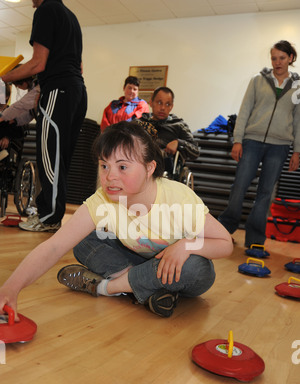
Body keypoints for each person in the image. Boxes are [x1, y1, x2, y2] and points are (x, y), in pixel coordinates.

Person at [0, 121, 233, 319]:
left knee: (197, 267)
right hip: (139, 262)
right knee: (84, 241)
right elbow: (54, 246)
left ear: (149, 168)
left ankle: (107, 287)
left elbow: (225, 243)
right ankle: (144, 288)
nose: (110, 177)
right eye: (104, 165)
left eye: (122, 167)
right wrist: (11, 287)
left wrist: (185, 245)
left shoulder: (178, 197)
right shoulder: (103, 199)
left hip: (181, 269)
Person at [0, 0, 87, 233]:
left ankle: (48, 217)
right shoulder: (70, 16)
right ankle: (52, 216)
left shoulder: (46, 10)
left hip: (58, 90)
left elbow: (38, 63)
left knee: (49, 157)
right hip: (76, 91)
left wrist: (3, 77)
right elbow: (78, 67)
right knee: (60, 159)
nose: (31, 2)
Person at [218, 40, 300, 247]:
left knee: (265, 194)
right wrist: (238, 140)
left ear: (290, 58)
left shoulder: (298, 86)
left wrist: (297, 151)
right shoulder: (257, 80)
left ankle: (254, 239)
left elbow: (299, 120)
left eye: (282, 58)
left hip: (279, 146)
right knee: (239, 187)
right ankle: (225, 230)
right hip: (252, 141)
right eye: (274, 58)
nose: (277, 62)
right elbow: (244, 110)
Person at [137, 87, 200, 167]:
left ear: (171, 106)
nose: (163, 108)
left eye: (167, 104)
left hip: (166, 171)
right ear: (151, 102)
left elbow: (195, 152)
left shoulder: (178, 124)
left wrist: (179, 143)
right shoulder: (140, 123)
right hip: (141, 167)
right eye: (159, 102)